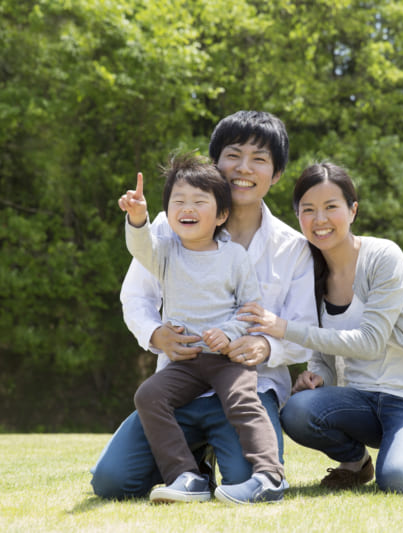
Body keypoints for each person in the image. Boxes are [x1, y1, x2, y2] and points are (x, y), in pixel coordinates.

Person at [90, 110, 316, 504]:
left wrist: (266, 346)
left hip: (250, 384)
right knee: (112, 482)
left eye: (259, 159)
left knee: (245, 476)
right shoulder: (170, 225)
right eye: (233, 155)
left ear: (277, 174)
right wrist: (156, 334)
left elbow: (305, 328)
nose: (243, 168)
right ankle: (191, 466)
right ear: (215, 162)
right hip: (181, 381)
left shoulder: (292, 248)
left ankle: (244, 466)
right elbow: (136, 297)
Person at [239, 162, 403, 494]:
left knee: (399, 480)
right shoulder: (309, 270)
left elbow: (370, 342)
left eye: (331, 207)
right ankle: (355, 463)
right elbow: (323, 351)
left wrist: (283, 328)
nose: (320, 219)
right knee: (296, 411)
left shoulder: (382, 256)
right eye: (308, 210)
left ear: (352, 210)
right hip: (362, 399)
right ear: (298, 216)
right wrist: (318, 376)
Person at [117, 153, 285, 504]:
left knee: (243, 401)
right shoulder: (165, 252)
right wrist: (138, 218)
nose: (187, 208)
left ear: (221, 214)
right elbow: (140, 247)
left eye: (198, 201)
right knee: (148, 396)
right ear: (168, 212)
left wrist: (229, 332)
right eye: (178, 201)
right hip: (186, 362)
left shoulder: (234, 256)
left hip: (227, 359)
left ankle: (270, 476)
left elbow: (250, 310)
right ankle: (186, 476)